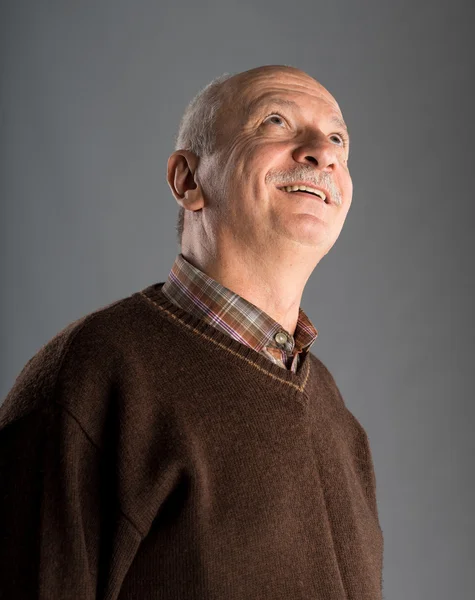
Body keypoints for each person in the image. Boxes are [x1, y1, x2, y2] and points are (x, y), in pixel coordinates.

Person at [0, 65, 384, 599]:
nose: (324, 151)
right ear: (188, 180)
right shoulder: (94, 378)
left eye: (338, 137)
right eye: (275, 121)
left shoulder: (340, 424)